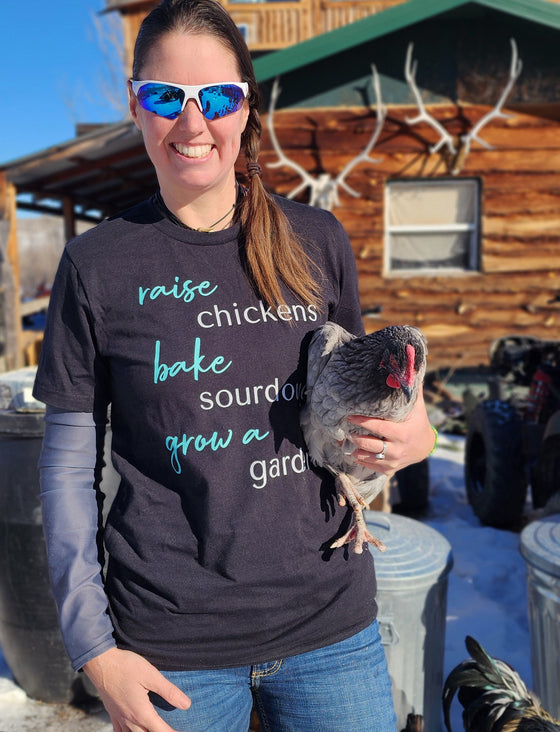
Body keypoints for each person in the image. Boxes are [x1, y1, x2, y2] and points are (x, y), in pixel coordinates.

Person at [33, 1, 436, 730]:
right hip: (173, 646)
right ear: (135, 104)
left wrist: (421, 431)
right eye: (166, 97)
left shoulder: (316, 239)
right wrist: (92, 647)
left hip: (332, 629)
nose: (193, 124)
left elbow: (363, 385)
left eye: (217, 96)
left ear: (247, 106)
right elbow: (65, 471)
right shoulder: (96, 267)